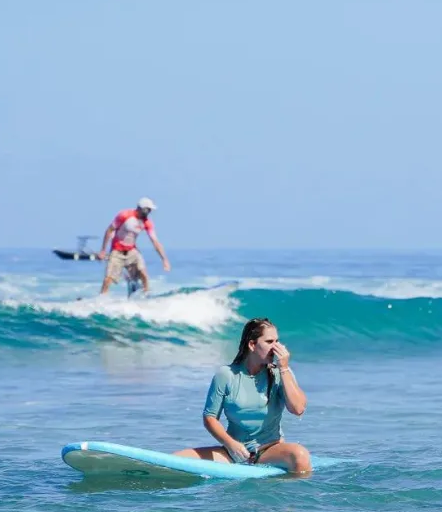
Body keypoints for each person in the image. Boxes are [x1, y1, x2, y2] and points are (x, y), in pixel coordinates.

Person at [173, 318, 312, 475]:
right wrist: (231, 444)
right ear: (252, 345)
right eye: (269, 341)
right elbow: (210, 418)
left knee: (300, 455)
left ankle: (291, 496)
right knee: (175, 460)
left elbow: (298, 408)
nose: (276, 348)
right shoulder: (226, 375)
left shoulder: (280, 372)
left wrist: (284, 368)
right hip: (233, 453)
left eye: (277, 341)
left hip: (269, 451)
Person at [97, 197, 171, 295]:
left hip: (132, 251)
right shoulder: (124, 215)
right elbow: (109, 230)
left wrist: (164, 259)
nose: (149, 212)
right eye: (148, 209)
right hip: (117, 251)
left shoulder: (147, 223)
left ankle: (146, 295)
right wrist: (103, 250)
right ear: (142, 208)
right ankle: (102, 298)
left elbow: (155, 241)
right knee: (108, 279)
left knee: (143, 274)